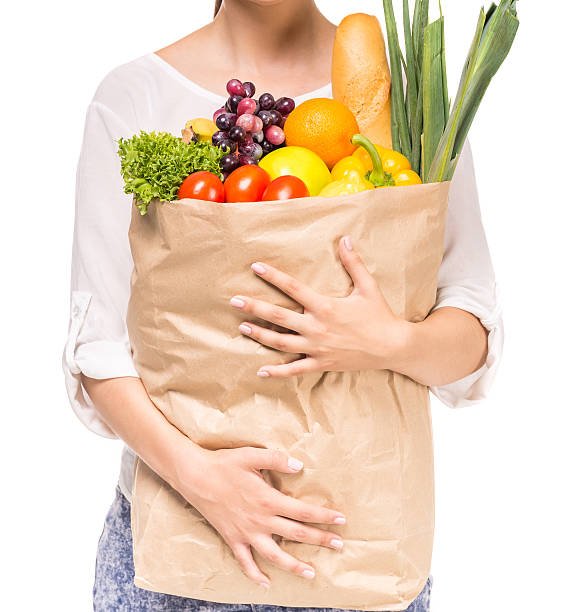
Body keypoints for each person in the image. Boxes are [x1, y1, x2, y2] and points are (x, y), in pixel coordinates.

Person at [62, 1, 503, 610]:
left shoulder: (410, 108)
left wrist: (387, 342)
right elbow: (97, 347)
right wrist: (202, 480)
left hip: (358, 552)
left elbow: (474, 327)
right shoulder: (134, 94)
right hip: (178, 554)